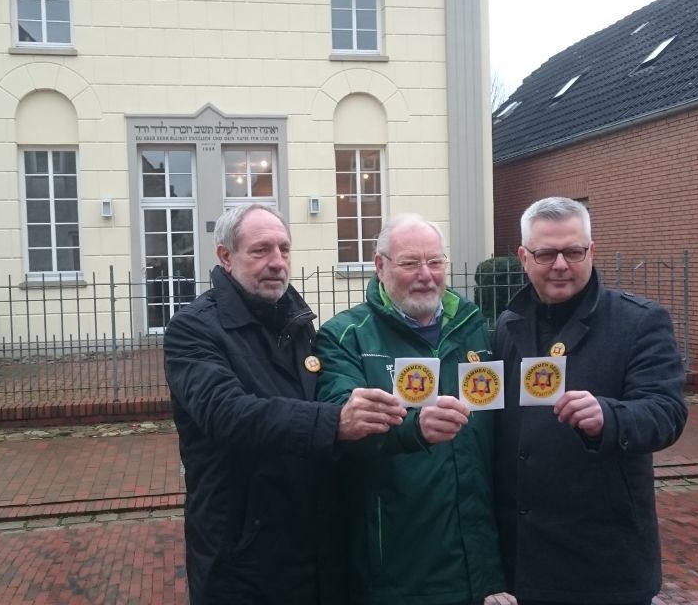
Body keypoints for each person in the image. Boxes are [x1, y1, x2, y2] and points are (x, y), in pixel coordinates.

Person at [165, 204, 408, 605]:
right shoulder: (192, 329)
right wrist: (334, 423)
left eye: (284, 249)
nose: (277, 262)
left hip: (314, 548)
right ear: (226, 257)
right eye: (261, 251)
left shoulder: (295, 322)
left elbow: (318, 396)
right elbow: (227, 413)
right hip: (244, 555)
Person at [493, 197, 688, 605]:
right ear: (524, 257)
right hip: (522, 561)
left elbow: (667, 413)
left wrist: (609, 416)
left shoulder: (639, 321)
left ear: (592, 251)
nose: (561, 264)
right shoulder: (507, 326)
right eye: (546, 253)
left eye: (574, 251)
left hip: (603, 561)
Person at [315, 214, 510, 605]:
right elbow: (340, 423)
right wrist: (413, 429)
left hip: (476, 567)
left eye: (435, 262)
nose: (426, 274)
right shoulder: (345, 336)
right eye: (410, 263)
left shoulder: (475, 327)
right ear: (380, 265)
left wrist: (491, 577)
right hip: (397, 570)